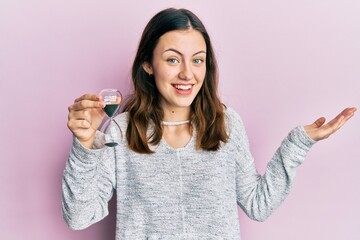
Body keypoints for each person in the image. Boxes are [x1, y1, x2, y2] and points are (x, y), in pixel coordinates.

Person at [63, 8, 356, 239]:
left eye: (198, 60)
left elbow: (258, 204)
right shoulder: (121, 131)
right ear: (148, 64)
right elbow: (79, 216)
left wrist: (299, 142)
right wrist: (85, 145)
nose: (187, 74)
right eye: (173, 60)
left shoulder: (226, 124)